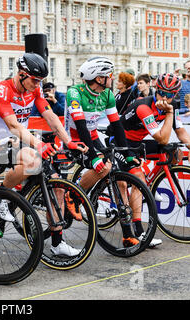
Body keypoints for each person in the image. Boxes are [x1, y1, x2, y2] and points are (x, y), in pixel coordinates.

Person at [0, 52, 87, 257]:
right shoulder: (2, 90)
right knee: (33, 160)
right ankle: (1, 196)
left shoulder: (35, 89)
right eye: (34, 79)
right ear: (22, 74)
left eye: (40, 80)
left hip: (19, 142)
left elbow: (49, 116)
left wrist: (68, 141)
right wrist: (39, 145)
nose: (38, 84)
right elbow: (13, 125)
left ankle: (57, 243)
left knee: (57, 184)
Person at [66, 56, 140, 248]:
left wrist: (127, 152)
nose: (112, 78)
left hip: (92, 135)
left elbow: (117, 125)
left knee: (119, 177)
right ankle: (73, 196)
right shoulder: (75, 92)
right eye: (109, 75)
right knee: (103, 167)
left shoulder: (107, 94)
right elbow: (81, 127)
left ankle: (127, 234)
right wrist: (92, 156)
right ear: (99, 78)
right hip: (74, 138)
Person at [118, 73, 190, 247]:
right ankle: (139, 231)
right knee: (138, 180)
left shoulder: (173, 105)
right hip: (121, 142)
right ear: (156, 89)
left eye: (170, 95)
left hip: (138, 142)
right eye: (162, 92)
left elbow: (180, 131)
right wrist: (169, 112)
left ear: (175, 95)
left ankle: (149, 185)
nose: (164, 98)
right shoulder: (144, 107)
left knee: (175, 153)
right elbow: (162, 139)